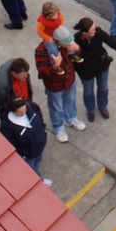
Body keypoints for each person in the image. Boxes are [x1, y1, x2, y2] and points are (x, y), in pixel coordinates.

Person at [35, 8, 85, 142]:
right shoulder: (42, 50)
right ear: (58, 41)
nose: (68, 43)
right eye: (65, 42)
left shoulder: (67, 45)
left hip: (69, 79)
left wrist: (77, 49)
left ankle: (71, 119)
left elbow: (77, 56)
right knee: (56, 106)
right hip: (54, 85)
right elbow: (42, 72)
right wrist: (55, 66)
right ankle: (58, 127)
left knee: (71, 100)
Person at [72, 16, 116, 121]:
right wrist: (78, 70)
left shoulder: (98, 32)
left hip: (101, 65)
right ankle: (90, 110)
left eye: (94, 29)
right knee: (88, 91)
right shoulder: (75, 40)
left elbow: (112, 43)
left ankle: (102, 106)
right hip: (86, 70)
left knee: (103, 88)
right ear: (84, 33)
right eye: (91, 31)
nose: (94, 32)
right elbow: (71, 57)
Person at [0, 96, 50, 184]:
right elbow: (10, 144)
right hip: (27, 154)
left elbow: (39, 117)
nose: (23, 113)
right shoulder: (7, 127)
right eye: (20, 112)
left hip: (39, 147)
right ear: (13, 111)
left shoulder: (32, 107)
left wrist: (43, 130)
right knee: (30, 170)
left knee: (37, 163)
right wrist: (21, 155)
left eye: (24, 110)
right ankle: (37, 182)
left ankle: (37, 177)